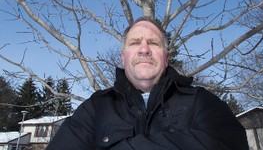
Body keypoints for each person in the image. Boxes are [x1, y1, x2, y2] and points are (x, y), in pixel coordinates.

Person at [46, 17, 249, 150]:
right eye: (135, 43)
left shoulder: (200, 101)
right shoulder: (96, 107)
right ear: (123, 57)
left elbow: (229, 143)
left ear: (166, 57)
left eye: (153, 42)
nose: (144, 49)